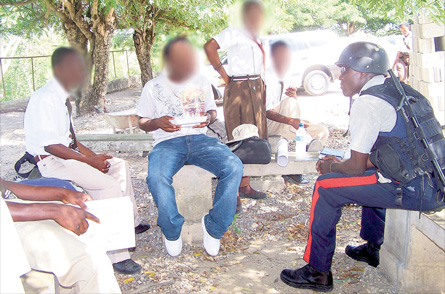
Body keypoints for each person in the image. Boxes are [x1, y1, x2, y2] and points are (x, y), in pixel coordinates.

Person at [280, 42, 445, 292]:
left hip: (415, 189)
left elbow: (356, 167)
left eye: (344, 69)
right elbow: (387, 153)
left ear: (363, 71)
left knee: (326, 187)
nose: (339, 77)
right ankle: (372, 247)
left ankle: (317, 271)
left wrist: (331, 168)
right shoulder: (400, 90)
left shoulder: (368, 103)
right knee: (369, 176)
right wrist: (341, 165)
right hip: (434, 181)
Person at [23, 47, 148, 274]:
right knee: (108, 185)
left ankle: (129, 222)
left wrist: (95, 158)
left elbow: (70, 141)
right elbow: (52, 146)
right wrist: (89, 163)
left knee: (119, 165)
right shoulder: (45, 98)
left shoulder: (62, 98)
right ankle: (116, 254)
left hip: (65, 157)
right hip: (52, 162)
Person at [137, 37, 243, 257]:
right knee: (156, 176)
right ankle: (171, 229)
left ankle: (214, 227)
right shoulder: (152, 86)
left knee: (234, 166)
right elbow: (142, 122)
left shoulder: (201, 81)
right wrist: (157, 122)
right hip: (166, 143)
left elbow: (213, 112)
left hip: (200, 140)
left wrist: (207, 118)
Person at [1, 177, 121, 293]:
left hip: (8, 207)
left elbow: (3, 186)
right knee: (90, 260)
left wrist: (61, 194)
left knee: (87, 226)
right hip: (6, 225)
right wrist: (55, 211)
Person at [204, 0, 267, 204]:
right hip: (239, 87)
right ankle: (234, 193)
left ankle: (245, 185)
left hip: (256, 87)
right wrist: (224, 75)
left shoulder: (257, 34)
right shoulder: (233, 31)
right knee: (238, 137)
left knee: (254, 136)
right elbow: (210, 47)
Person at [266, 41, 329, 184]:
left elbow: (290, 105)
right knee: (290, 102)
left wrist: (294, 96)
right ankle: (307, 141)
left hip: (289, 123)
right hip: (271, 124)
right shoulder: (267, 79)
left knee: (322, 131)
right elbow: (266, 113)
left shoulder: (286, 77)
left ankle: (297, 171)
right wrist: (292, 120)